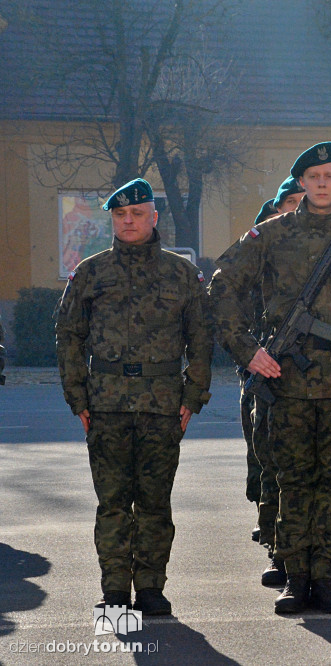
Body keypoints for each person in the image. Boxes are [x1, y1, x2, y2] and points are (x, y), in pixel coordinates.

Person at [209, 142, 331, 614]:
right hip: (286, 380)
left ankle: (327, 579)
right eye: (313, 177)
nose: (322, 183)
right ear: (302, 184)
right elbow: (222, 287)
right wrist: (248, 351)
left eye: (330, 175)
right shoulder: (270, 236)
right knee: (292, 481)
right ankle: (295, 577)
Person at [56, 178, 213, 615]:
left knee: (154, 502)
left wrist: (193, 394)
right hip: (104, 403)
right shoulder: (90, 272)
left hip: (162, 404)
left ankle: (149, 587)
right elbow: (68, 336)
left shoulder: (181, 274)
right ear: (112, 220)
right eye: (121, 215)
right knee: (111, 503)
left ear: (153, 217)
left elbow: (201, 338)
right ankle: (113, 589)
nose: (129, 221)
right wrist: (78, 396)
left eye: (137, 213)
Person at [247, 176, 306, 587]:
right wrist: (249, 354)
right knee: (269, 461)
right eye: (292, 204)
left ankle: (304, 549)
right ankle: (275, 541)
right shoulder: (261, 252)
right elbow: (236, 307)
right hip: (263, 370)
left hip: (313, 378)